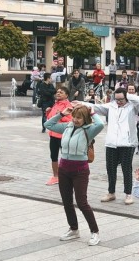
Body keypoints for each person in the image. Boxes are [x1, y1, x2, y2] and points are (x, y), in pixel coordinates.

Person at [43, 104, 104, 246]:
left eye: (79, 118)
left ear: (85, 119)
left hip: (80, 170)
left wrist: (92, 112)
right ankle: (74, 229)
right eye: (74, 117)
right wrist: (62, 114)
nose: (76, 120)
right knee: (67, 201)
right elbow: (48, 124)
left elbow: (100, 124)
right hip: (63, 169)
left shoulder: (89, 130)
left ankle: (95, 232)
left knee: (82, 202)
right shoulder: (67, 127)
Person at [77, 87, 139, 205]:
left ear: (126, 97)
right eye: (116, 99)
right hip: (111, 142)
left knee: (126, 169)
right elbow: (95, 107)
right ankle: (111, 192)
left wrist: (127, 95)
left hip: (128, 143)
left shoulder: (133, 106)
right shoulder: (111, 106)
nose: (118, 102)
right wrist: (80, 103)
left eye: (121, 99)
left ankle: (128, 194)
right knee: (110, 168)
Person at [45, 87, 73, 186]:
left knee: (66, 157)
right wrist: (48, 112)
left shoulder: (68, 106)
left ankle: (67, 176)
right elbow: (50, 120)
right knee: (53, 156)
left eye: (61, 92)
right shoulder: (56, 104)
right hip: (53, 135)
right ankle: (55, 176)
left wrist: (61, 115)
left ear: (67, 95)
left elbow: (71, 120)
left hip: (62, 135)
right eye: (57, 92)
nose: (58, 93)